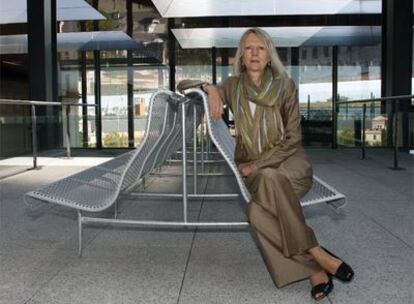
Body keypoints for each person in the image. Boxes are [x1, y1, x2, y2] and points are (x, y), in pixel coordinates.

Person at [179, 28, 354, 301]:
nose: (254, 54)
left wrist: (259, 164)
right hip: (259, 173)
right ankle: (315, 256)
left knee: (268, 184)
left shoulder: (285, 86)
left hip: (291, 167)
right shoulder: (233, 86)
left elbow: (294, 138)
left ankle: (315, 265)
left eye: (260, 48)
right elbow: (182, 85)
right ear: (241, 54)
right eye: (248, 48)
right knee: (256, 213)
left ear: (269, 54)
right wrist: (209, 88)